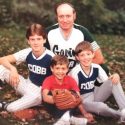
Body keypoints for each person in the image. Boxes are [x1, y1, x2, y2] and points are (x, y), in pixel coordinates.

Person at [0, 23, 54, 112]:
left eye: (39, 39)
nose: (36, 42)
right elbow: (2, 59)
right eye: (32, 39)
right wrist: (13, 69)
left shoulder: (51, 57)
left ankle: (4, 105)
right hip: (26, 85)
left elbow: (59, 79)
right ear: (28, 41)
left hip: (39, 93)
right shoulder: (28, 52)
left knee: (11, 108)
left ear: (44, 40)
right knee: (1, 67)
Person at [69, 41, 125, 123]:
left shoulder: (97, 67)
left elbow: (108, 83)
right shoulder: (75, 72)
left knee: (113, 80)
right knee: (101, 107)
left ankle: (124, 109)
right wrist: (83, 112)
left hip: (94, 94)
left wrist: (115, 75)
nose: (86, 58)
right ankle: (120, 115)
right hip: (82, 101)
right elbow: (75, 96)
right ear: (77, 57)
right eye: (82, 55)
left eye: (88, 54)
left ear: (93, 54)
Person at [45, 2, 108, 74]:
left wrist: (76, 72)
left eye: (68, 16)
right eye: (61, 16)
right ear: (57, 17)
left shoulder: (83, 32)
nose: (65, 20)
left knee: (104, 69)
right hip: (56, 72)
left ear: (74, 16)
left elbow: (99, 58)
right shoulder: (48, 32)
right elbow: (40, 58)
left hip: (77, 73)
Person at [42, 55, 94, 125]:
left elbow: (78, 98)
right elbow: (45, 97)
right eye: (57, 68)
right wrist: (60, 99)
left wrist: (84, 112)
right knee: (52, 93)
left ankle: (65, 119)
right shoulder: (48, 80)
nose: (60, 71)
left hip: (69, 106)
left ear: (67, 69)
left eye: (63, 68)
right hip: (54, 106)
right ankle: (71, 119)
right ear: (52, 68)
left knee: (73, 94)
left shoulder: (71, 80)